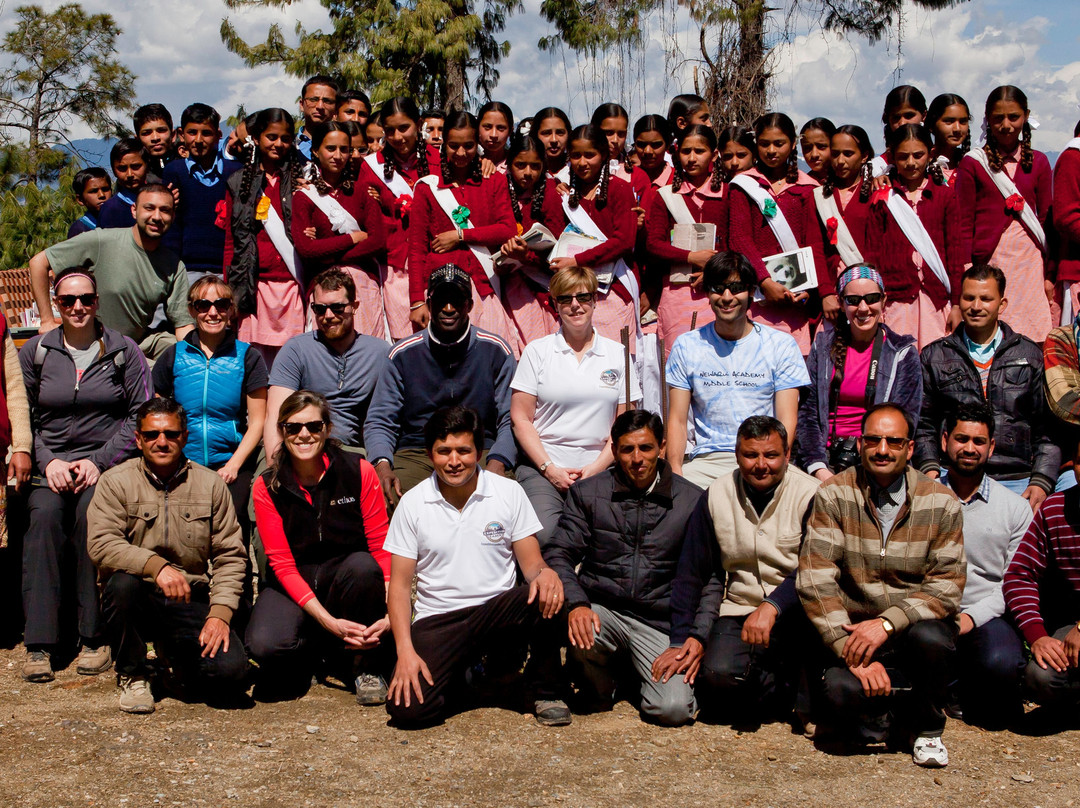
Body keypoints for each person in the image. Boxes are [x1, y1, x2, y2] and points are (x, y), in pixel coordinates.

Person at [797, 403, 965, 768]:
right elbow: (815, 579)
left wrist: (888, 622)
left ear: (910, 448)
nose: (883, 449)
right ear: (860, 444)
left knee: (934, 639)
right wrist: (851, 649)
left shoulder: (941, 501)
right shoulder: (834, 495)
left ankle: (927, 728)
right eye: (873, 440)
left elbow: (948, 585)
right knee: (840, 692)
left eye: (893, 441)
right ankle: (885, 720)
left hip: (912, 631)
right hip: (853, 628)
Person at [384, 405, 568, 727]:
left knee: (547, 593)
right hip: (439, 620)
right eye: (443, 452)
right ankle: (471, 679)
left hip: (496, 612)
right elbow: (399, 588)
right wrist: (405, 652)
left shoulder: (508, 492)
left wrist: (546, 573)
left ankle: (545, 689)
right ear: (430, 454)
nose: (454, 461)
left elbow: (532, 564)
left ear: (480, 452)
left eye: (463, 451)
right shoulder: (412, 503)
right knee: (409, 712)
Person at [19, 265, 151, 683]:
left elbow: (139, 416)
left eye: (86, 299)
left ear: (97, 304)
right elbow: (24, 417)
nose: (77, 307)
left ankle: (93, 637)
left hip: (103, 468)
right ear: (56, 305)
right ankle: (40, 643)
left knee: (92, 521)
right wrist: (47, 460)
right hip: (51, 465)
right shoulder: (36, 352)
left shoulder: (123, 351)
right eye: (67, 300)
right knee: (42, 520)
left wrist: (100, 461)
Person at [86, 397, 249, 713]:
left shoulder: (211, 485)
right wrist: (155, 566)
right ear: (138, 439)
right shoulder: (114, 482)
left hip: (190, 599)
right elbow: (102, 544)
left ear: (185, 437)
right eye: (152, 435)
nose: (162, 442)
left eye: (171, 434)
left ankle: (171, 658)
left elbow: (231, 555)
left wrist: (220, 614)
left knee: (231, 674)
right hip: (136, 600)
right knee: (121, 586)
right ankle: (133, 673)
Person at [543, 409, 705, 726]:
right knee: (578, 627)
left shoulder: (691, 500)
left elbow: (709, 576)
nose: (636, 458)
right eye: (627, 449)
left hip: (661, 622)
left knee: (671, 710)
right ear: (614, 450)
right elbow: (559, 552)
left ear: (661, 447)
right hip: (603, 610)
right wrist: (577, 604)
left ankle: (639, 673)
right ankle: (601, 685)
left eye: (645, 448)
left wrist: (696, 636)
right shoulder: (588, 493)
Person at [669, 416, 819, 722]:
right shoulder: (716, 495)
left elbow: (815, 567)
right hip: (739, 610)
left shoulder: (812, 494)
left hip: (802, 610)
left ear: (787, 454)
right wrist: (682, 638)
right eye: (751, 455)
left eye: (771, 455)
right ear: (737, 455)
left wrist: (774, 605)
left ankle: (798, 687)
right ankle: (782, 691)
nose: (761, 464)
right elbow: (692, 571)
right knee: (716, 679)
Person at [247, 390, 392, 703]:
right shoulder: (267, 485)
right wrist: (329, 623)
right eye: (293, 427)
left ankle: (364, 664)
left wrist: (394, 607)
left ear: (327, 429)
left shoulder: (359, 471)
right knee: (264, 645)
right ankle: (323, 647)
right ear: (282, 431)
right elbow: (281, 564)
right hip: (294, 580)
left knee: (365, 567)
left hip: (347, 576)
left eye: (313, 426)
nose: (304, 435)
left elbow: (381, 544)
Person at [365, 265, 516, 501]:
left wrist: (499, 461)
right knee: (390, 498)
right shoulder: (401, 354)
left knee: (502, 501)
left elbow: (511, 417)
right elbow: (380, 419)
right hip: (417, 451)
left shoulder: (496, 349)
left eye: (456, 300)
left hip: (480, 449)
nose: (448, 308)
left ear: (470, 305)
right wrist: (382, 464)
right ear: (428, 303)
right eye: (441, 300)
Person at [511, 267, 638, 545]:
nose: (575, 305)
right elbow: (521, 419)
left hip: (602, 467)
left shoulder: (617, 354)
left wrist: (596, 468)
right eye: (565, 299)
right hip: (544, 468)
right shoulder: (537, 352)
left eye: (583, 297)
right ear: (555, 305)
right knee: (546, 535)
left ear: (595, 301)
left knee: (609, 537)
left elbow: (625, 425)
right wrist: (549, 468)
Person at [915, 264, 1057, 511]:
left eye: (985, 298)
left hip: (1017, 479)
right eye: (969, 298)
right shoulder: (934, 355)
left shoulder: (1029, 354)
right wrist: (930, 469)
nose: (976, 306)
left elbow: (1047, 427)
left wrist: (1041, 480)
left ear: (1002, 304)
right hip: (953, 477)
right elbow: (923, 423)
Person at [666, 251, 809, 489]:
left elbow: (786, 421)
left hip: (762, 458)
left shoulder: (781, 345)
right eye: (717, 288)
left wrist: (778, 463)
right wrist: (676, 471)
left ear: (752, 290)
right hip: (708, 460)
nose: (726, 296)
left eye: (736, 287)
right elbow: (678, 420)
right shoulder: (687, 345)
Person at [151, 276, 268, 546]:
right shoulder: (173, 355)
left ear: (231, 310)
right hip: (182, 462)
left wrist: (233, 466)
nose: (212, 312)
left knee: (233, 527)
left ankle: (238, 586)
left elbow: (258, 421)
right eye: (203, 305)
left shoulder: (248, 357)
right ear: (192, 310)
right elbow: (158, 417)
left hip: (230, 460)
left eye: (221, 304)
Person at [937, 403, 1030, 727]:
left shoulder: (1015, 509)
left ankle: (970, 686)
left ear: (991, 447)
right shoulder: (922, 498)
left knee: (1001, 662)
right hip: (929, 609)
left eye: (979, 441)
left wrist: (970, 618)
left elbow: (1016, 581)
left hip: (986, 612)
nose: (969, 448)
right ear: (945, 439)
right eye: (962, 439)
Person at [30, 183, 194, 359]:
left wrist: (193, 361)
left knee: (184, 354)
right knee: (148, 373)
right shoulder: (102, 241)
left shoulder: (173, 265)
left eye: (165, 210)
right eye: (149, 208)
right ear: (134, 211)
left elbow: (183, 324)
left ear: (173, 216)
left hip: (140, 341)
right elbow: (38, 263)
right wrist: (46, 321)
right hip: (99, 345)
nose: (156, 216)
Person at [797, 265, 921, 479]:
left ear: (884, 300)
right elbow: (808, 413)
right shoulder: (823, 346)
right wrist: (819, 469)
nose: (863, 308)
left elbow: (906, 419)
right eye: (853, 300)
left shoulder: (902, 352)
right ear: (841, 303)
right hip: (825, 461)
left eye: (872, 298)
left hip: (879, 458)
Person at [408, 110, 519, 347]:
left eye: (468, 145)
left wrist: (460, 235)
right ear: (443, 145)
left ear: (477, 144)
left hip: (484, 285)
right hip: (441, 289)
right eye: (453, 145)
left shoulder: (494, 180)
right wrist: (417, 300)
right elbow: (416, 248)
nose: (460, 153)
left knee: (493, 354)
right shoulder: (428, 187)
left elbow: (508, 229)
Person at [956, 85, 1053, 344]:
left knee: (1033, 332)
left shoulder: (1040, 162)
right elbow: (964, 222)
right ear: (988, 119)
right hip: (991, 259)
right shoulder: (973, 163)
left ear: (1026, 116)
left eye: (1013, 117)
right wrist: (967, 267)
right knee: (993, 330)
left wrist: (1049, 274)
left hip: (1031, 262)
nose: (1006, 125)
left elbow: (1046, 219)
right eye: (998, 118)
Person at [264, 269, 389, 461]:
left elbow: (387, 417)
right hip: (300, 445)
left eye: (337, 308)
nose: (328, 315)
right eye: (320, 309)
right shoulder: (296, 350)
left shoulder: (379, 352)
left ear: (354, 306)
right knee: (260, 485)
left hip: (351, 451)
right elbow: (276, 416)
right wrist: (275, 467)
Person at [727, 112, 826, 355]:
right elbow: (740, 239)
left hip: (798, 299)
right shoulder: (744, 185)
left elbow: (814, 242)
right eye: (764, 144)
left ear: (793, 144)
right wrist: (764, 281)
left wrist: (811, 288)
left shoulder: (808, 188)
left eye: (779, 144)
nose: (771, 150)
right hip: (757, 295)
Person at [863, 124, 963, 350]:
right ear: (893, 157)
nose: (911, 163)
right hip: (896, 300)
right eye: (903, 156)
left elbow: (955, 254)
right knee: (899, 362)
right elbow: (873, 255)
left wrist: (956, 305)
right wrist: (875, 303)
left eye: (918, 155)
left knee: (936, 362)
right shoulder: (883, 198)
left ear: (931, 154)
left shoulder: (944, 196)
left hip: (936, 300)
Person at [1004, 438, 1080, 716]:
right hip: (1068, 625)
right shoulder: (1055, 509)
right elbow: (1020, 575)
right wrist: (1037, 636)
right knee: (1041, 677)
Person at [291, 121, 388, 339]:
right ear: (315, 151)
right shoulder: (305, 196)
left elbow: (377, 241)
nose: (338, 155)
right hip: (323, 288)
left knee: (366, 356)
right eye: (331, 148)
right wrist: (353, 238)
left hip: (362, 287)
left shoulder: (363, 191)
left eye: (344, 149)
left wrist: (326, 255)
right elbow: (306, 250)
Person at [223, 107, 304, 368]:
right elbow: (230, 242)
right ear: (256, 139)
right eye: (271, 137)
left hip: (294, 286)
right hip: (254, 287)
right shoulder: (238, 182)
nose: (278, 144)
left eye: (285, 138)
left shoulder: (302, 178)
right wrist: (230, 292)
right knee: (253, 363)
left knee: (292, 362)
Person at [550, 125, 639, 352]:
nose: (582, 162)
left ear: (604, 155)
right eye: (576, 155)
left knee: (616, 358)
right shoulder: (564, 193)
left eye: (590, 155)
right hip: (575, 295)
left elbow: (624, 240)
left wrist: (578, 261)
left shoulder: (620, 189)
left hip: (615, 289)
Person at [357, 97, 439, 340]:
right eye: (390, 130)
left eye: (404, 128)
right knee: (405, 338)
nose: (398, 136)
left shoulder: (439, 160)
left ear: (419, 124)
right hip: (395, 266)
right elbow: (368, 217)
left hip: (436, 259)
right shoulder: (371, 167)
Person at [644, 124, 727, 352]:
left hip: (720, 292)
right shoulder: (665, 196)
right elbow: (653, 244)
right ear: (676, 152)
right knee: (677, 358)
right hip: (676, 292)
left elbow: (735, 244)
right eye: (685, 151)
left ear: (714, 154)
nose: (692, 158)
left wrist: (712, 268)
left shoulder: (728, 194)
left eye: (699, 151)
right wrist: (691, 256)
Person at [498, 131, 567, 346]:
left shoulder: (550, 195)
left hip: (538, 286)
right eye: (520, 165)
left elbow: (558, 249)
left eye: (535, 167)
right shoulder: (497, 189)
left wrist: (526, 256)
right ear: (509, 164)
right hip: (501, 284)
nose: (528, 173)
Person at [161, 103, 242, 284]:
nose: (198, 140)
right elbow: (172, 224)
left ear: (218, 136)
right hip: (186, 268)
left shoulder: (235, 172)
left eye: (206, 133)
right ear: (181, 135)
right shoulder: (174, 171)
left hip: (227, 267)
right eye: (192, 132)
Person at [813, 125, 875, 322]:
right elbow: (814, 248)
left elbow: (880, 247)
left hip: (868, 292)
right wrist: (825, 293)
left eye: (848, 154)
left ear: (864, 155)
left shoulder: (876, 193)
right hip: (832, 294)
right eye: (836, 153)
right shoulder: (818, 196)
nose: (840, 161)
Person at [98, 138, 152, 229]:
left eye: (136, 167)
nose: (130, 174)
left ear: (147, 166)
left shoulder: (159, 200)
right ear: (114, 171)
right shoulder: (110, 209)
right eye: (122, 168)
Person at [925, 93, 972, 185]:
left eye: (963, 122)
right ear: (932, 124)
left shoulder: (974, 165)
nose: (957, 129)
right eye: (949, 121)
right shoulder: (919, 163)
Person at [296, 75, 339, 160]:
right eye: (313, 99)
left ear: (336, 108)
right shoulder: (287, 146)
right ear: (301, 104)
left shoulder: (344, 149)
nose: (320, 106)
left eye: (327, 101)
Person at [67, 167, 112, 238]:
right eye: (94, 191)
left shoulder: (121, 221)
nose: (102, 195)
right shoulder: (79, 230)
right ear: (80, 200)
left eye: (105, 189)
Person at [133, 103, 176, 175]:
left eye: (161, 130)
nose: (155, 138)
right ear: (137, 140)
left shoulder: (188, 168)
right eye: (147, 133)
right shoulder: (133, 176)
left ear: (173, 135)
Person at [533, 107, 572, 182]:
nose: (554, 140)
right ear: (535, 135)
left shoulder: (577, 169)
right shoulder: (527, 170)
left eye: (560, 133)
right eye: (546, 133)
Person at [800, 117, 835, 186]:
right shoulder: (802, 186)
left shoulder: (849, 183)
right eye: (807, 148)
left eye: (821, 147)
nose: (814, 154)